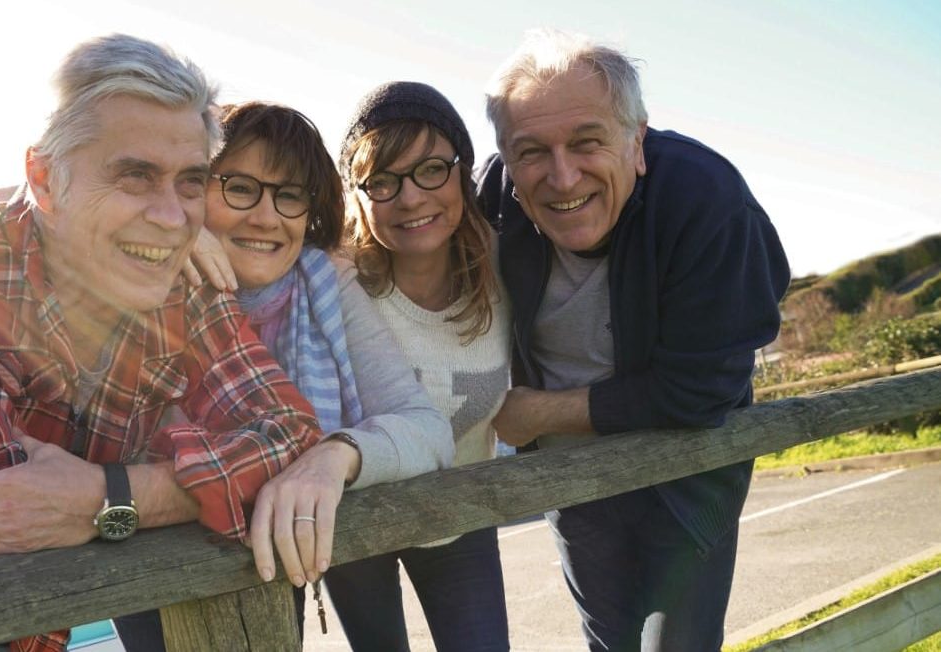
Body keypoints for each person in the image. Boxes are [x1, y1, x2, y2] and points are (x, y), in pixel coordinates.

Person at [0, 34, 323, 652]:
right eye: (135, 177)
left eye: (190, 183)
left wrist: (112, 496)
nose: (172, 218)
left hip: (38, 617)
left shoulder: (183, 284)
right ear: (45, 179)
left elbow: (289, 431)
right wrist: (193, 482)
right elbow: (2, 502)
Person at [476, 29, 791, 651]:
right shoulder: (492, 202)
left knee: (678, 643)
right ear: (508, 160)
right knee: (609, 642)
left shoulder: (707, 201)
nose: (562, 177)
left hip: (688, 469)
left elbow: (700, 392)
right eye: (532, 151)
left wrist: (536, 412)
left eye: (587, 142)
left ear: (637, 141)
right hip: (574, 480)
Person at [115, 100, 453, 651]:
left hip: (274, 571)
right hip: (152, 574)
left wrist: (332, 456)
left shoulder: (327, 287)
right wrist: (173, 237)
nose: (267, 217)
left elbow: (426, 426)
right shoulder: (140, 279)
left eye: (290, 195)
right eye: (240, 187)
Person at [333, 81, 514, 651]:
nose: (410, 197)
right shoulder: (329, 283)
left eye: (431, 169)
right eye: (382, 181)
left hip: (459, 514)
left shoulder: (509, 268)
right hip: (355, 527)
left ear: (461, 170)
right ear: (357, 196)